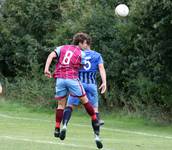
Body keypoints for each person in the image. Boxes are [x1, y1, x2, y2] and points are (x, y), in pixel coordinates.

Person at [44, 32, 100, 146]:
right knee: (85, 101)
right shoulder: (82, 53)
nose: (86, 45)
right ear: (80, 42)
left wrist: (46, 69)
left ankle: (57, 127)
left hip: (60, 79)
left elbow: (51, 55)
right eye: (85, 43)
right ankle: (94, 118)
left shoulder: (62, 48)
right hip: (72, 79)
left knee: (61, 105)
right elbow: (82, 65)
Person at [60, 37, 106, 149]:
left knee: (70, 106)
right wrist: (104, 82)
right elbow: (101, 68)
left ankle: (64, 126)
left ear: (85, 44)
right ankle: (97, 137)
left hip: (78, 84)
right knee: (95, 111)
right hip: (91, 85)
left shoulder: (77, 54)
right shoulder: (97, 55)